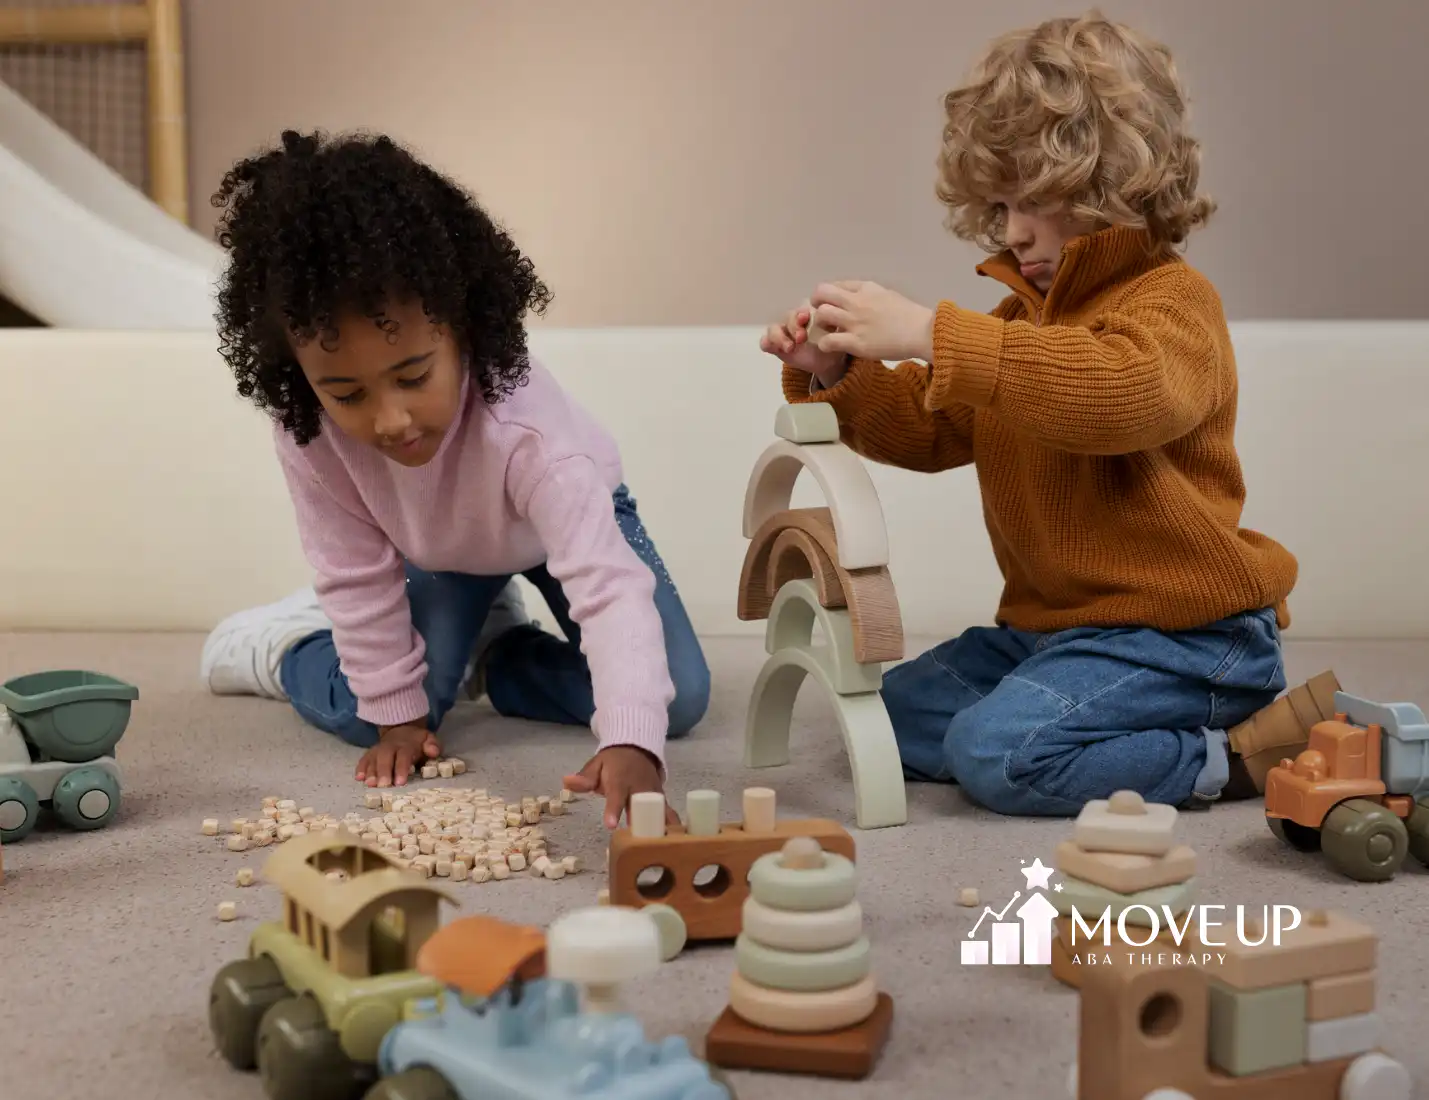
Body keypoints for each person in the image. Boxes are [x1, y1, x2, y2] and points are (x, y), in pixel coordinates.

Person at [759, 12, 1297, 816]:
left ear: (1112, 181)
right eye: (1002, 203)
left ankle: (1233, 757)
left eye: (1036, 200)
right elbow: (937, 428)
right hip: (1055, 631)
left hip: (1184, 636)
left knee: (996, 754)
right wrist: (837, 373)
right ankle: (1091, 720)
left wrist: (930, 331)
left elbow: (1121, 394)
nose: (1011, 232)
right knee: (885, 716)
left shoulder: (1173, 302)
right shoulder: (1019, 323)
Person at [199, 129, 709, 827]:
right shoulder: (310, 432)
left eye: (413, 376)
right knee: (377, 713)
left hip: (563, 528)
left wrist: (629, 741)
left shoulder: (531, 435)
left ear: (464, 330)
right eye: (346, 393)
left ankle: (496, 655)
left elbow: (607, 585)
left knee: (676, 700)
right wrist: (396, 715)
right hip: (437, 551)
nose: (390, 420)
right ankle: (281, 647)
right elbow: (354, 571)